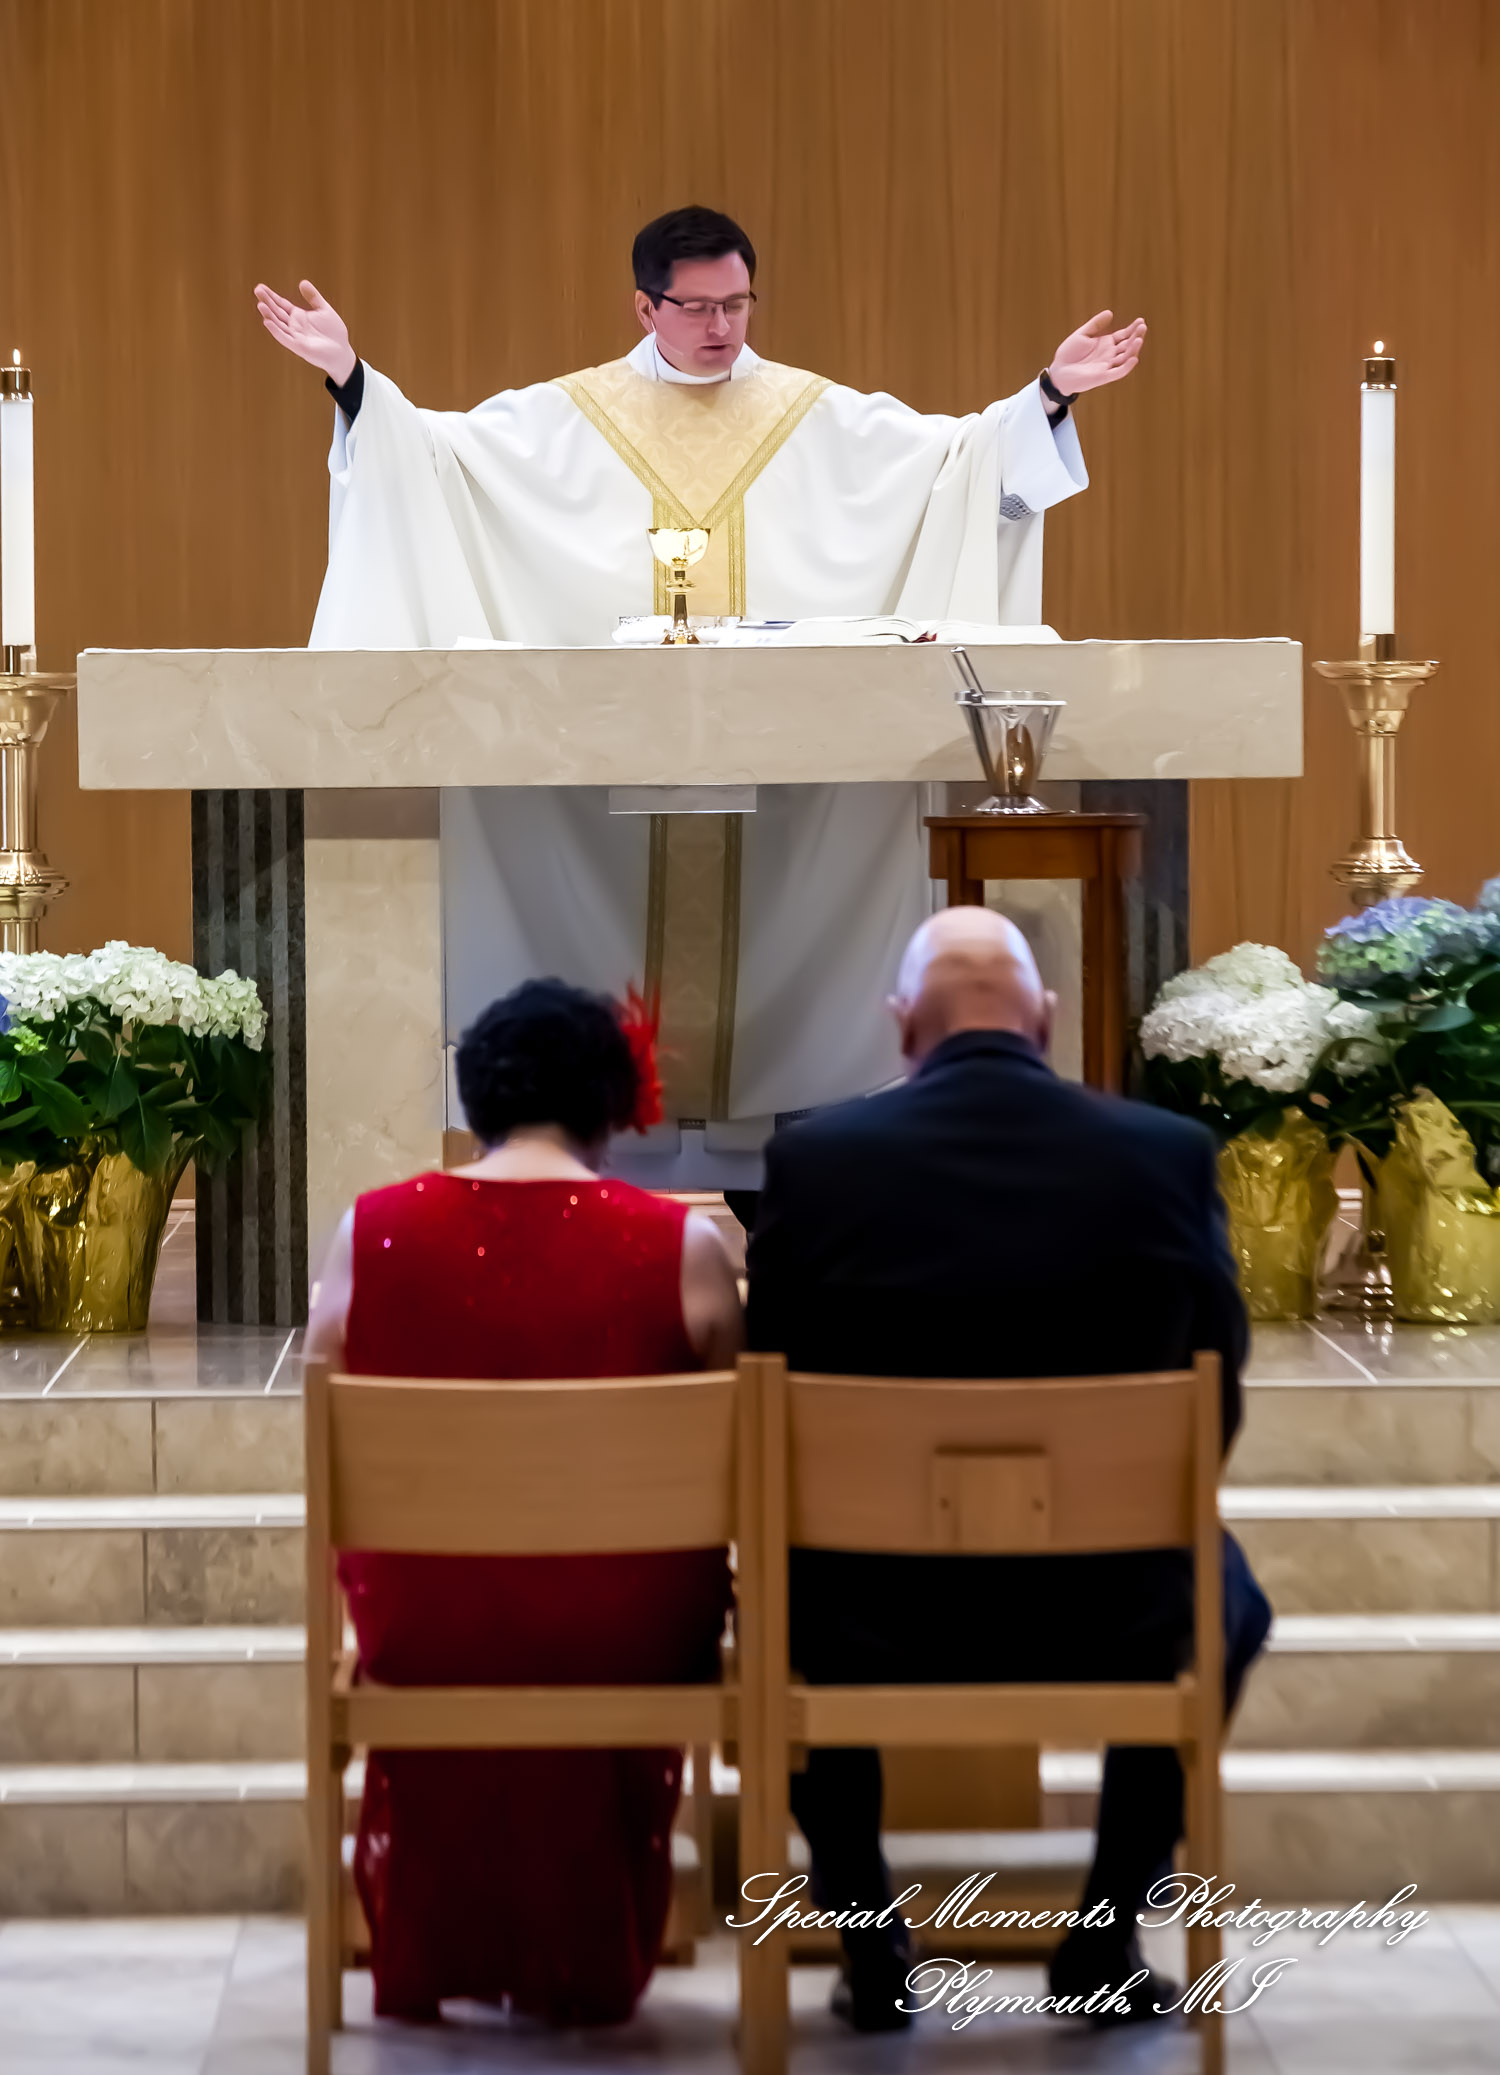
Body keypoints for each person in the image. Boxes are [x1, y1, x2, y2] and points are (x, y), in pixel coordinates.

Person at [253, 206, 1147, 1187]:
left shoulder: (824, 418)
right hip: (610, 789)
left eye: (737, 302)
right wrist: (350, 379)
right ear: (645, 305)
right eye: (696, 307)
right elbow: (425, 460)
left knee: (801, 944)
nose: (722, 326)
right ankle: (609, 1155)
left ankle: (792, 1167)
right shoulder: (560, 420)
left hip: (789, 798)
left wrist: (1052, 394)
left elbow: (964, 463)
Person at [745, 906, 1272, 2032]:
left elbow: (765, 1394)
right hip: (1115, 1610)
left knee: (776, 1602)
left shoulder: (816, 1162)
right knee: (1227, 1595)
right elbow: (1215, 1382)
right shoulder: (1163, 1153)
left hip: (866, 1616)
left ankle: (872, 1939)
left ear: (902, 1027)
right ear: (1043, 1017)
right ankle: (1104, 1930)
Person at [304, 977, 743, 2026]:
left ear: (477, 1094)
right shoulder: (682, 1248)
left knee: (476, 1598)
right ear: (610, 1097)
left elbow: (326, 1396)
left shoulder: (372, 1232)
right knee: (616, 1587)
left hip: (430, 1619)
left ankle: (450, 1937)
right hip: (625, 1624)